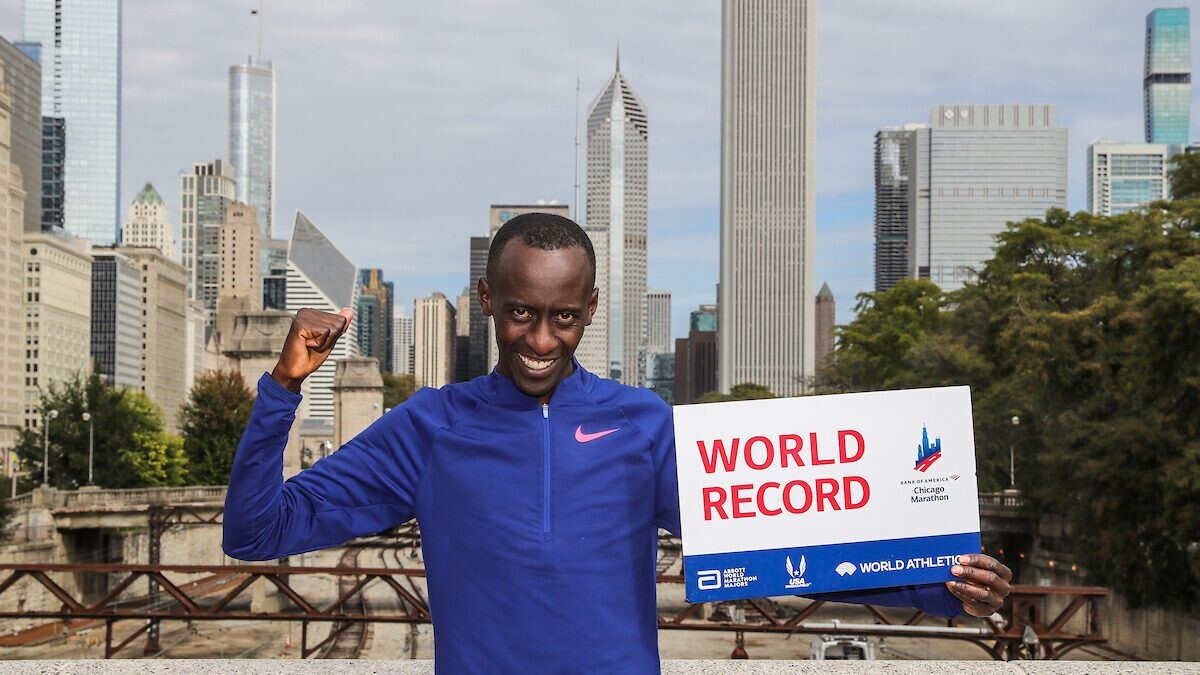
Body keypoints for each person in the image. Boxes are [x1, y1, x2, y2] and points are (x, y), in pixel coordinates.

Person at [224, 212, 1012, 673]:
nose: (541, 339)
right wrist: (284, 387)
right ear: (487, 298)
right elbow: (256, 532)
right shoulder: (428, 427)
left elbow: (778, 550)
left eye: (563, 316)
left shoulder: (644, 424)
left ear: (591, 308)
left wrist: (938, 586)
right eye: (521, 313)